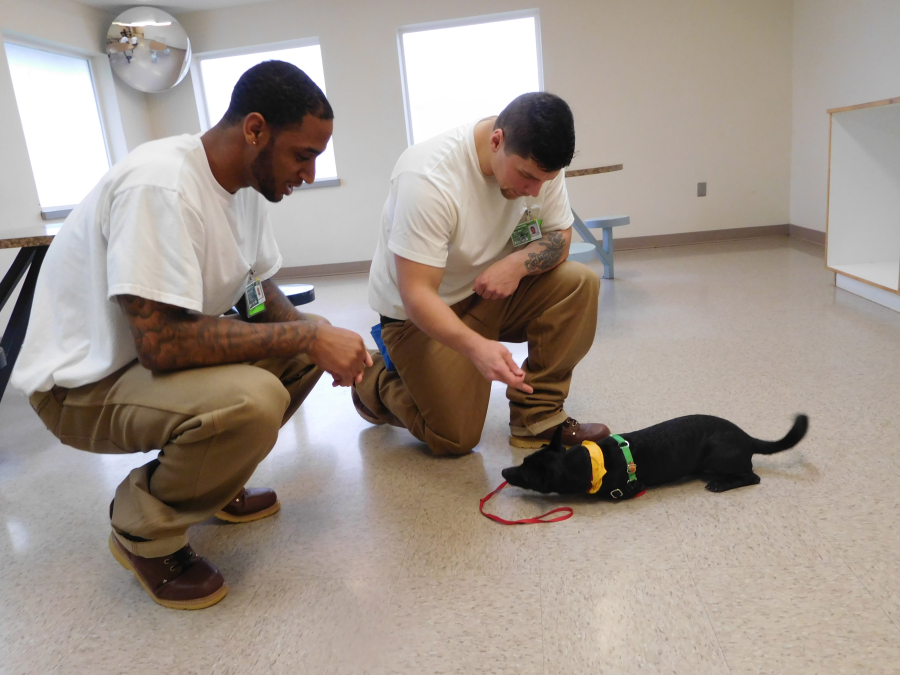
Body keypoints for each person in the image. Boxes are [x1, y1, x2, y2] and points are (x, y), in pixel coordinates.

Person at [12, 61, 372, 610]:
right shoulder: (160, 185)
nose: (310, 173)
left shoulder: (246, 185)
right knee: (255, 398)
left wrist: (314, 337)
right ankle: (142, 530)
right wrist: (303, 340)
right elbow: (162, 344)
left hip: (143, 364)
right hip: (81, 386)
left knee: (311, 336)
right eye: (303, 155)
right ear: (255, 130)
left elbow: (252, 290)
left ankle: (212, 483)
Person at [354, 92, 609, 456]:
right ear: (496, 141)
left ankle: (537, 418)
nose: (534, 190)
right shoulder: (428, 177)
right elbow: (417, 295)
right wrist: (477, 347)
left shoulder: (539, 162)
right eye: (526, 177)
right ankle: (375, 379)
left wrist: (516, 265)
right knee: (455, 437)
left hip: (490, 291)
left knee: (579, 283)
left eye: (545, 180)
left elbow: (560, 237)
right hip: (419, 315)